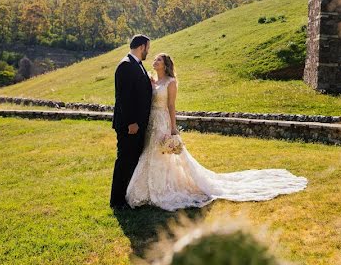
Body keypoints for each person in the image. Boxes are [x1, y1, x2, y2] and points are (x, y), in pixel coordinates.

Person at [125, 52, 307, 210]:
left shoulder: (171, 82)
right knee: (151, 153)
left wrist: (173, 129)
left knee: (164, 155)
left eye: (158, 60)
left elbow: (172, 106)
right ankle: (150, 188)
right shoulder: (152, 80)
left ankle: (164, 189)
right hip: (151, 122)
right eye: (155, 59)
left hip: (163, 121)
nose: (155, 62)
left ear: (165, 65)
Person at [110, 34, 153, 210]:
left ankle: (128, 196)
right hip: (130, 126)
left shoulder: (138, 65)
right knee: (124, 161)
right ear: (142, 46)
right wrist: (131, 123)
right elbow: (123, 99)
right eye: (148, 47)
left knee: (133, 160)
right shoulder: (126, 65)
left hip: (138, 125)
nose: (148, 51)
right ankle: (117, 201)